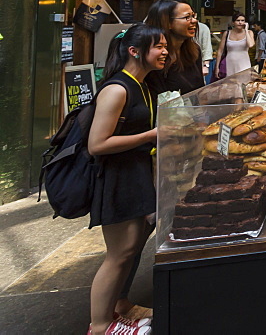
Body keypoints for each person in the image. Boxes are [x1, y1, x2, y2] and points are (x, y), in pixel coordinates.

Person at [87, 24, 166, 335]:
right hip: (118, 180)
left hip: (137, 175)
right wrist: (151, 135)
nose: (165, 52)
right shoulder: (117, 89)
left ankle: (119, 309)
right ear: (134, 51)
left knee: (131, 249)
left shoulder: (144, 85)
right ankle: (100, 326)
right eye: (158, 46)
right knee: (118, 255)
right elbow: (97, 144)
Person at [144, 0, 204, 101]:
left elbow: (199, 91)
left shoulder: (194, 51)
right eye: (187, 17)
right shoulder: (153, 56)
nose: (194, 21)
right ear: (167, 23)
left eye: (193, 16)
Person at [214, 12, 254, 81]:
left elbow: (250, 45)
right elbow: (220, 51)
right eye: (238, 20)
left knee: (244, 84)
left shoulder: (249, 32)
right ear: (233, 22)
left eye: (242, 20)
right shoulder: (227, 33)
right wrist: (217, 67)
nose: (240, 23)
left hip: (244, 64)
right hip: (230, 63)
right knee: (230, 85)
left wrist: (246, 30)